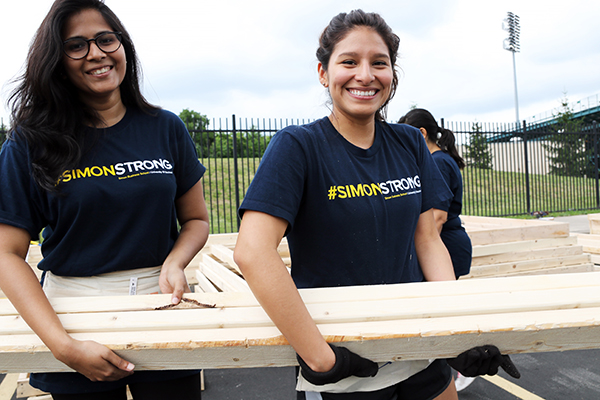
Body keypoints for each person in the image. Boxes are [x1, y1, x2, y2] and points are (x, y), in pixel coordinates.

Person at [234, 9, 518, 400]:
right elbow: (252, 252)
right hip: (343, 358)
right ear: (323, 73)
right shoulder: (298, 147)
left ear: (392, 74)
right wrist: (320, 359)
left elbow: (428, 240)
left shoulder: (409, 142)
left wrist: (459, 331)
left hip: (419, 348)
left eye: (379, 63)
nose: (365, 75)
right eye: (348, 61)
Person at [0, 0, 209, 399]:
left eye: (105, 39)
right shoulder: (30, 142)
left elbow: (197, 220)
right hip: (74, 317)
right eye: (76, 45)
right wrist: (63, 346)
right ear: (56, 62)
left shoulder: (165, 128)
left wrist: (175, 262)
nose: (96, 53)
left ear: (123, 46)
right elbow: (5, 253)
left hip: (162, 306)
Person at [398, 109, 472, 279]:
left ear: (421, 133)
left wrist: (421, 255)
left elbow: (438, 217)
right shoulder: (442, 158)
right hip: (449, 242)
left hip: (445, 243)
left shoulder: (437, 162)